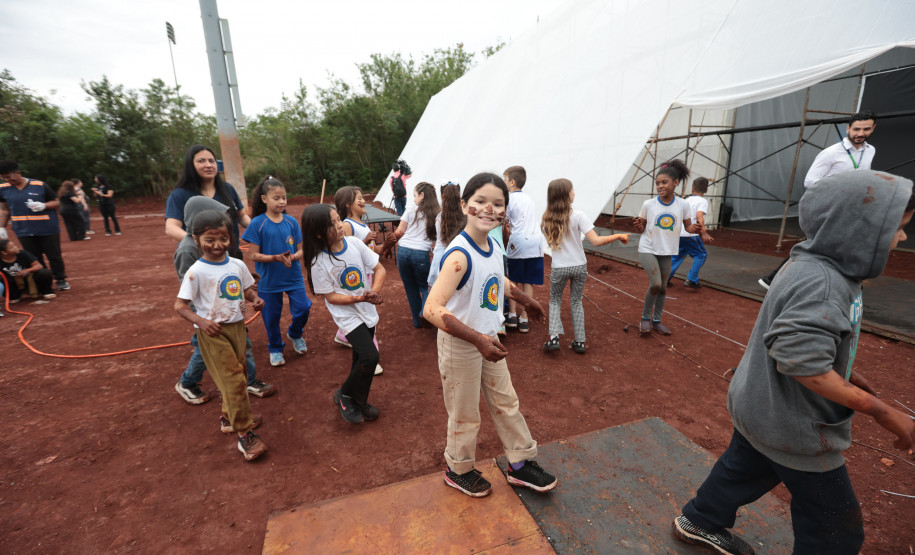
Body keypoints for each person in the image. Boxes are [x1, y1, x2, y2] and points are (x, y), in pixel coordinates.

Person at [673, 170, 914, 555]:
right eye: (896, 229)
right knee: (835, 526)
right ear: (858, 232)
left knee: (746, 466)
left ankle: (699, 519)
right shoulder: (824, 282)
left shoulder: (807, 262)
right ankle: (703, 518)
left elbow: (811, 344)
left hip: (760, 406)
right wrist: (882, 412)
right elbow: (801, 361)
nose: (901, 238)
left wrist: (847, 373)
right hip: (796, 425)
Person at [423, 172, 557, 498]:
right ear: (465, 204)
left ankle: (521, 464)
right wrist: (478, 340)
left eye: (498, 203)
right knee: (465, 412)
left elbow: (500, 280)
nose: (489, 209)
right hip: (462, 345)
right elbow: (431, 310)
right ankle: (458, 469)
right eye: (480, 201)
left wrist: (526, 300)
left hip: (488, 340)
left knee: (506, 403)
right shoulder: (459, 255)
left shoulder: (493, 244)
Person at [175, 209, 268, 461]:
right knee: (235, 381)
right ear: (197, 240)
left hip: (237, 328)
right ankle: (244, 434)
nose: (217, 245)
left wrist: (255, 298)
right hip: (213, 333)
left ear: (231, 238)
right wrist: (202, 322)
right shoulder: (196, 271)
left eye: (224, 239)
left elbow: (246, 289)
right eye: (210, 240)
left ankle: (229, 418)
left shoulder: (236, 264)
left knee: (241, 374)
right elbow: (180, 306)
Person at [173, 196, 275, 405]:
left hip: (229, 314)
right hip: (207, 316)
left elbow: (221, 273)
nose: (217, 244)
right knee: (204, 350)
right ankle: (187, 382)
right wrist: (201, 320)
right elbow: (189, 287)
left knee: (242, 346)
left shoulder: (224, 254)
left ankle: (248, 380)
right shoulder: (187, 249)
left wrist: (239, 281)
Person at [759, 110, 877, 290]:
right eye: (857, 129)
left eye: (866, 129)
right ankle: (774, 279)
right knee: (815, 246)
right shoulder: (831, 153)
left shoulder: (870, 151)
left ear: (873, 128)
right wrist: (842, 187)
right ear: (848, 129)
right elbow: (810, 181)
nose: (861, 133)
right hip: (826, 208)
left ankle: (845, 283)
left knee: (842, 245)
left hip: (851, 209)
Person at [301, 203, 387, 425]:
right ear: (319, 233)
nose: (340, 225)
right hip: (347, 316)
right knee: (370, 356)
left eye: (338, 219)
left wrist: (374, 291)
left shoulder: (355, 244)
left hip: (366, 309)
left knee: (360, 360)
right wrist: (358, 298)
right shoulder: (318, 262)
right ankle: (345, 395)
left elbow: (379, 269)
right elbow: (331, 297)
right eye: (332, 224)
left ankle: (359, 401)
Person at [540, 178, 629, 354]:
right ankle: (579, 341)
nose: (574, 193)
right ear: (567, 195)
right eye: (572, 190)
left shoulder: (546, 218)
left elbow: (554, 240)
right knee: (576, 302)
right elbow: (595, 241)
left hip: (559, 267)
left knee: (555, 300)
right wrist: (618, 235)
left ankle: (554, 338)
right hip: (579, 266)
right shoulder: (579, 215)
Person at [242, 177, 311, 368]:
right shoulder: (257, 223)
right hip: (268, 280)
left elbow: (301, 250)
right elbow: (253, 256)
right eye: (276, 198)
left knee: (304, 308)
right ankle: (275, 348)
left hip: (293, 277)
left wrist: (294, 257)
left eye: (284, 198)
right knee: (271, 317)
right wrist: (276, 258)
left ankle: (295, 334)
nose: (281, 202)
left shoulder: (291, 222)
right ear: (264, 199)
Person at [632, 160, 697, 335]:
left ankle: (657, 321)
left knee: (663, 287)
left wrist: (695, 229)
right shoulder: (649, 204)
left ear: (675, 182)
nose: (660, 186)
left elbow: (688, 227)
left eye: (664, 182)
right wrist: (638, 226)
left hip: (667, 250)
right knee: (656, 284)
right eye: (658, 183)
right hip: (648, 248)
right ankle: (645, 319)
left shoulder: (683, 205)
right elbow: (642, 227)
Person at [331, 185, 384, 375]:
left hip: (367, 274)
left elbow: (372, 253)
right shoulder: (347, 225)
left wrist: (386, 244)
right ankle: (372, 358)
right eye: (358, 198)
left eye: (363, 197)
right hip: (355, 277)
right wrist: (365, 241)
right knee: (367, 316)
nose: (363, 201)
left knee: (365, 311)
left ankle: (342, 335)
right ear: (347, 204)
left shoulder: (362, 224)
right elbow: (347, 253)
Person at [165, 145, 251, 257]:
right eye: (201, 161)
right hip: (201, 257)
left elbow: (242, 216)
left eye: (211, 161)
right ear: (191, 166)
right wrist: (198, 243)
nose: (208, 165)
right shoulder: (179, 194)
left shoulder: (228, 189)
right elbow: (171, 228)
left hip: (231, 255)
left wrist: (260, 233)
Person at [0, 160, 69, 291]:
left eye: (9, 177)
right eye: (3, 178)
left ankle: (61, 279)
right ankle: (45, 283)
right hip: (23, 230)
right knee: (34, 258)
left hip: (47, 228)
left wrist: (44, 205)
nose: (7, 180)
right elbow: (4, 209)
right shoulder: (2, 189)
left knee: (54, 256)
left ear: (18, 173)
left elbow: (56, 202)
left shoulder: (39, 185)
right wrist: (1, 227)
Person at [385, 181, 439, 328]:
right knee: (425, 286)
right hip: (421, 253)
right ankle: (424, 312)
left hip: (402, 252)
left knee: (410, 288)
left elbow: (399, 232)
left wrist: (389, 246)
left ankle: (417, 321)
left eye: (415, 195)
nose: (413, 198)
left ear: (422, 195)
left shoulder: (410, 210)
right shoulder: (436, 213)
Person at [503, 165, 543, 334]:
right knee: (528, 280)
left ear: (512, 182)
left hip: (518, 242)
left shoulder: (510, 199)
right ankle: (524, 318)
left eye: (505, 180)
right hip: (535, 243)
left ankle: (512, 315)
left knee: (513, 280)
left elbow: (503, 220)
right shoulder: (530, 199)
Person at [669, 177, 713, 288]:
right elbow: (699, 216)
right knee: (701, 255)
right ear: (706, 190)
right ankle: (692, 279)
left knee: (676, 256)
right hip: (691, 234)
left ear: (692, 189)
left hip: (679, 233)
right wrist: (703, 232)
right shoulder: (702, 201)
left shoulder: (686, 200)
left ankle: (665, 279)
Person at [427, 182, 464, 289]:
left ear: (443, 197)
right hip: (459, 255)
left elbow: (439, 240)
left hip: (440, 257)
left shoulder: (439, 217)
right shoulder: (464, 217)